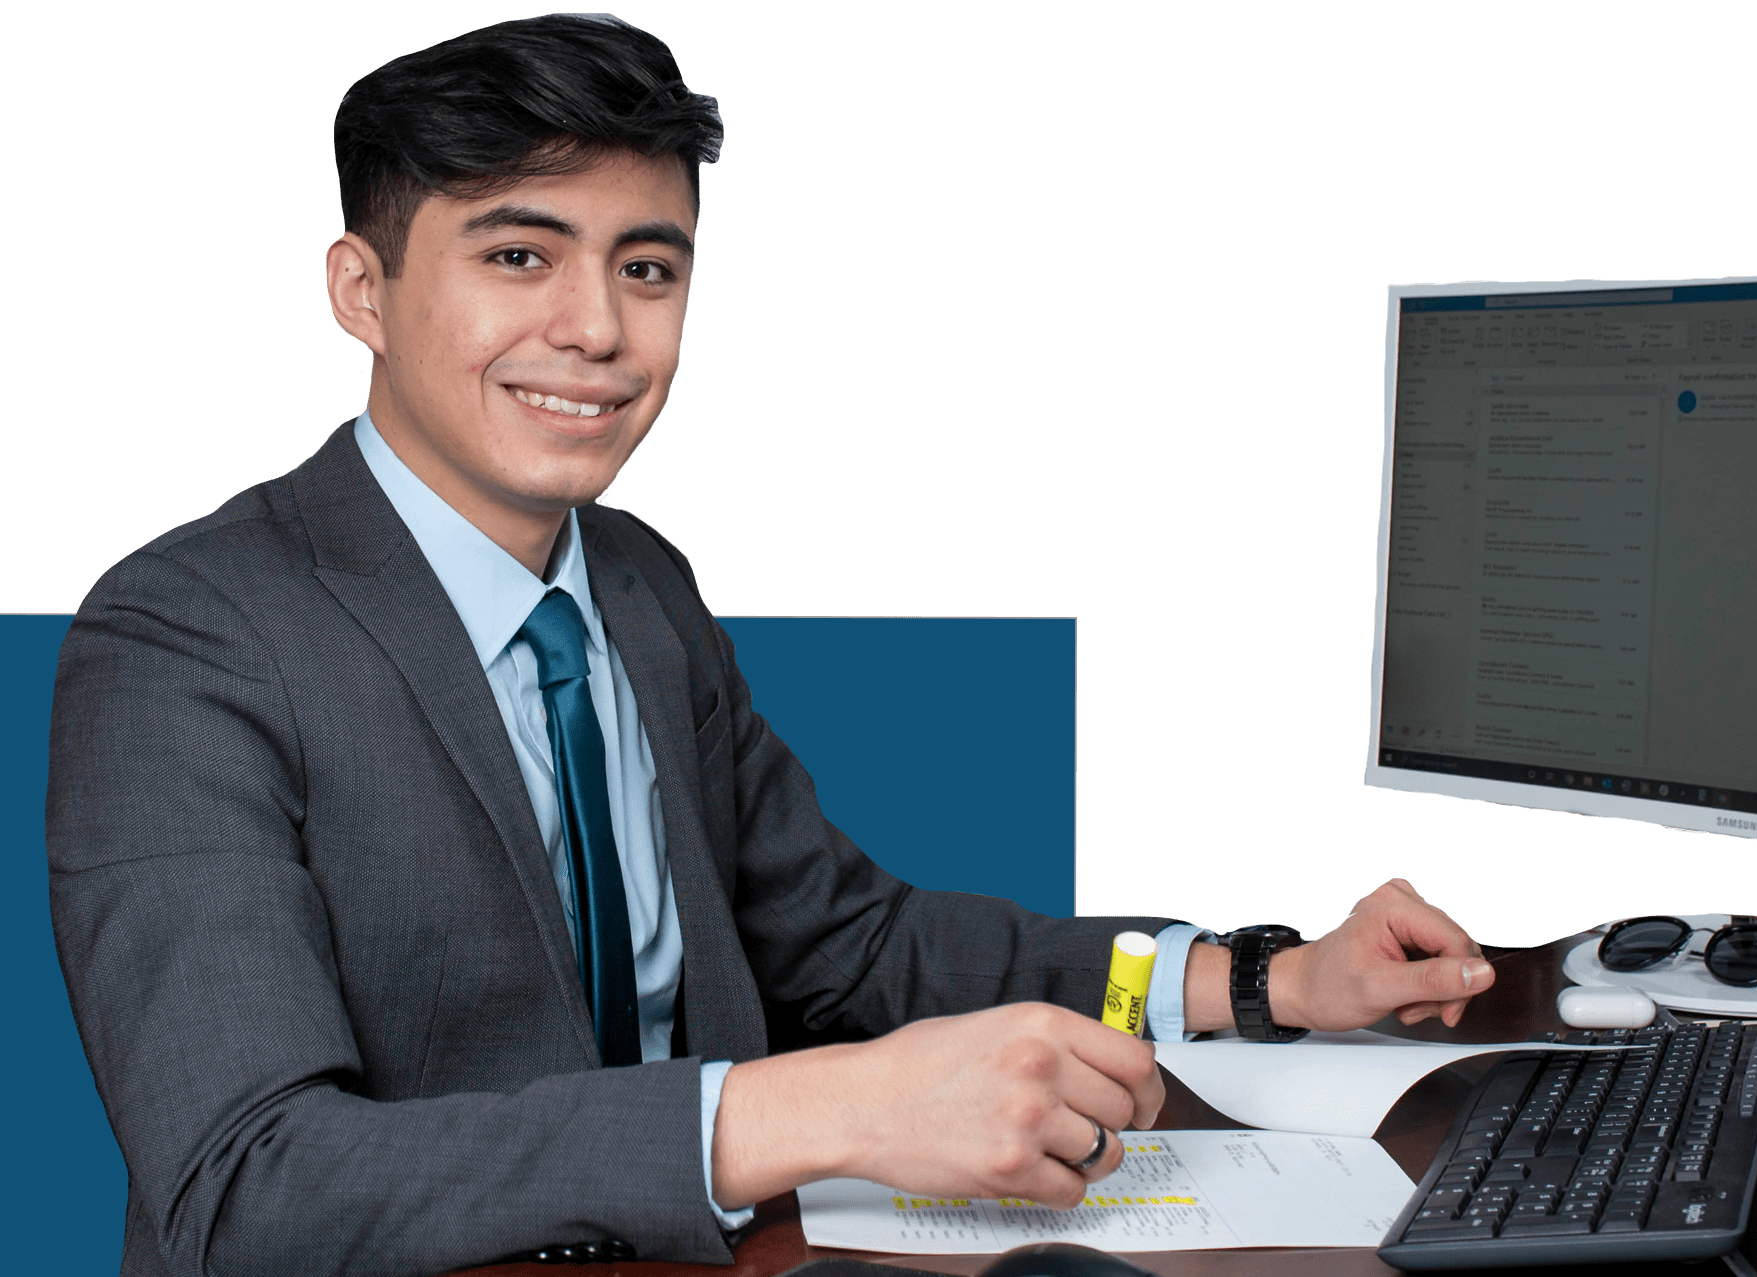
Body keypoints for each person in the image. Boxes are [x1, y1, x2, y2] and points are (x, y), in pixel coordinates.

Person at [46, 14, 1496, 1275]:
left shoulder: (636, 582)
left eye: (647, 268)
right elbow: (244, 1187)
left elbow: (854, 947)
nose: (597, 329)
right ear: (361, 291)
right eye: (518, 255)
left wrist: (1258, 984)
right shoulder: (185, 640)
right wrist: (820, 1108)